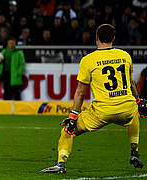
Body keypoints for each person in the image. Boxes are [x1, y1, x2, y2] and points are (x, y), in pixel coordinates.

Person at [40, 24, 144, 173]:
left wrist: (73, 116)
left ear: (96, 38)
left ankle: (61, 164)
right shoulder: (125, 56)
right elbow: (131, 82)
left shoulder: (88, 60)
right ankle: (134, 152)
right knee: (134, 113)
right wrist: (138, 100)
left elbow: (81, 92)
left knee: (68, 131)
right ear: (113, 38)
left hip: (102, 111)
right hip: (126, 108)